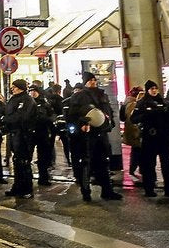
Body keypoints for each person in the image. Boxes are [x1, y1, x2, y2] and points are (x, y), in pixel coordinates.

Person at [66, 72, 122, 202]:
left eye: (94, 80)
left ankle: (107, 190)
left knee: (104, 162)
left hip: (101, 134)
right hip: (87, 136)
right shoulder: (79, 96)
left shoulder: (102, 95)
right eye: (90, 80)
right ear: (85, 82)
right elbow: (72, 115)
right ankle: (86, 192)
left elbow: (109, 111)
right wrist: (82, 123)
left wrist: (110, 124)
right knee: (86, 163)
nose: (93, 82)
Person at [131, 80, 169, 197]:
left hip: (164, 138)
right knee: (149, 165)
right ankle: (149, 189)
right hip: (150, 138)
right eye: (152, 88)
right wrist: (148, 114)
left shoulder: (164, 102)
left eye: (155, 88)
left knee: (167, 165)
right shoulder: (142, 103)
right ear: (148, 90)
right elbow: (134, 118)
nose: (154, 90)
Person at [2, 79, 37, 198]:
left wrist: (5, 119)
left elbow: (21, 116)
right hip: (14, 134)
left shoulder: (27, 100)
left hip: (24, 135)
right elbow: (8, 112)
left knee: (24, 162)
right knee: (17, 161)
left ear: (19, 87)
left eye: (14, 87)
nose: (12, 88)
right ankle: (17, 187)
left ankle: (27, 189)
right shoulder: (13, 99)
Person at [29, 85, 57, 186]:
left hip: (42, 132)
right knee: (28, 156)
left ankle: (43, 177)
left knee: (43, 157)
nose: (32, 93)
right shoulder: (27, 103)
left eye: (34, 91)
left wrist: (49, 121)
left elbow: (52, 115)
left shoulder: (45, 103)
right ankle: (28, 178)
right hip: (30, 133)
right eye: (31, 91)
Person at [121, 87, 143, 181]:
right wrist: (136, 133)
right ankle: (133, 170)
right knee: (137, 152)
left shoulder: (129, 102)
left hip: (134, 132)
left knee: (137, 152)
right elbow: (132, 120)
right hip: (135, 133)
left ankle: (136, 170)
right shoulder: (133, 104)